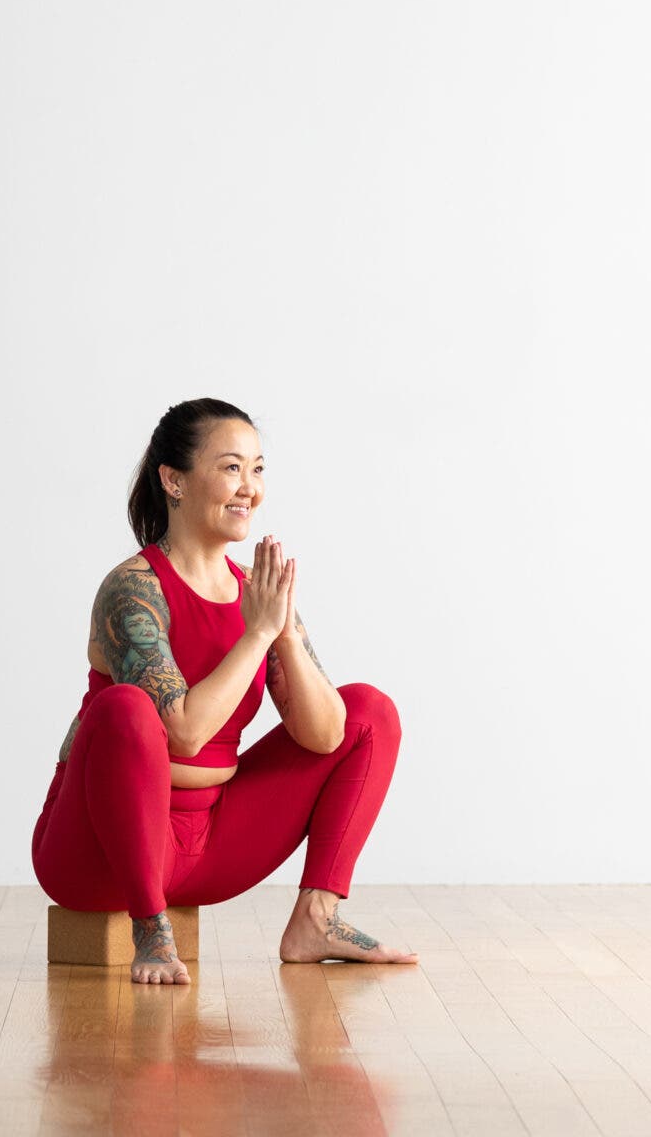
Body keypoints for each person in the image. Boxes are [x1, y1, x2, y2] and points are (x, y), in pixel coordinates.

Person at [30, 398, 417, 984]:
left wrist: (280, 632)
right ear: (173, 480)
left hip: (209, 844)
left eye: (258, 469)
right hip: (99, 852)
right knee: (126, 707)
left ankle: (317, 919)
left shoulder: (255, 592)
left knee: (369, 711)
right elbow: (180, 732)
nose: (250, 489)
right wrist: (256, 633)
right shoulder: (133, 588)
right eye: (232, 467)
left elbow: (329, 735)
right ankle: (151, 928)